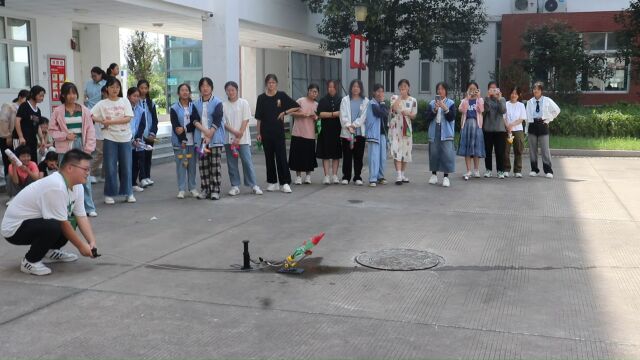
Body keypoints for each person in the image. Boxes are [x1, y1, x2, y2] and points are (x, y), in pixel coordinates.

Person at [1, 149, 98, 276]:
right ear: (70, 168)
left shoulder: (77, 186)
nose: (88, 173)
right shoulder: (56, 185)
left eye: (88, 169)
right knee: (56, 225)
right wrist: (81, 247)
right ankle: (30, 261)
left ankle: (50, 250)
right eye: (85, 169)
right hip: (14, 229)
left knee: (70, 219)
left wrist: (92, 242)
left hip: (34, 223)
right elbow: (62, 223)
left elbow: (81, 216)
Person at [50, 82, 98, 217]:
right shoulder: (58, 111)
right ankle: (67, 209)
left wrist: (88, 149)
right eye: (68, 93)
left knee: (85, 177)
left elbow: (90, 131)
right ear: (63, 95)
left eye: (74, 93)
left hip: (80, 145)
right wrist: (65, 135)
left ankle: (89, 207)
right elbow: (52, 131)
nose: (72, 96)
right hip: (65, 147)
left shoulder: (84, 110)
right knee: (65, 178)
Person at [91, 77, 135, 204]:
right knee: (110, 167)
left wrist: (110, 122)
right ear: (107, 89)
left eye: (117, 87)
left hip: (125, 138)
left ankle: (128, 193)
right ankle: (109, 194)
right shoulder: (102, 104)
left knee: (126, 166)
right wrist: (101, 121)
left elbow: (128, 118)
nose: (115, 89)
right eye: (112, 87)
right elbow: (90, 115)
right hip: (109, 138)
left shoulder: (124, 101)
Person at [255, 74, 300, 193]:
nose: (271, 84)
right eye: (269, 82)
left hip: (278, 133)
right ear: (266, 84)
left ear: (276, 84)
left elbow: (296, 107)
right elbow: (259, 118)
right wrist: (258, 133)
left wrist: (284, 112)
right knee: (269, 158)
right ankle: (272, 182)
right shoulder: (261, 98)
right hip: (265, 132)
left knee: (281, 157)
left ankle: (284, 182)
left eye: (273, 82)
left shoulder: (281, 95)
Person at [222, 81, 263, 196]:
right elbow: (223, 123)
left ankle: (253, 185)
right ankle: (235, 186)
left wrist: (239, 135)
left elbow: (246, 119)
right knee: (231, 163)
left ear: (237, 90)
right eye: (228, 90)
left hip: (243, 139)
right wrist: (235, 133)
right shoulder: (223, 105)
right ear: (226, 91)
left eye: (232, 90)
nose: (230, 92)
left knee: (247, 161)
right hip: (229, 139)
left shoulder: (243, 103)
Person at [193, 77, 224, 200]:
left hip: (215, 139)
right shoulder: (196, 103)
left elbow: (218, 118)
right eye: (202, 86)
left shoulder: (218, 102)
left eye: (207, 86)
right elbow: (194, 119)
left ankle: (215, 190)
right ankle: (205, 189)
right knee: (203, 165)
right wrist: (205, 132)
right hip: (200, 139)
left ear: (211, 88)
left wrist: (210, 133)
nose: (205, 88)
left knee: (215, 165)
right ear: (200, 88)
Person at [169, 83, 200, 199]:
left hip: (193, 142)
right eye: (182, 90)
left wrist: (185, 129)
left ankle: (192, 188)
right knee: (181, 166)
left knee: (192, 166)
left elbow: (196, 122)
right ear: (178, 93)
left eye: (187, 90)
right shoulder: (174, 108)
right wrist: (183, 139)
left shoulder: (194, 106)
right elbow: (176, 126)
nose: (185, 92)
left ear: (190, 93)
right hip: (179, 142)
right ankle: (181, 189)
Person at [526, 82, 560, 178]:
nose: (535, 91)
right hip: (532, 125)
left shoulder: (547, 100)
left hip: (542, 124)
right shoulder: (529, 102)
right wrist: (526, 130)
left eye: (537, 89)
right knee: (532, 149)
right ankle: (534, 169)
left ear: (541, 91)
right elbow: (527, 117)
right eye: (534, 89)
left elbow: (557, 110)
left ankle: (548, 170)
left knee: (545, 149)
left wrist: (549, 119)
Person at [426, 82, 457, 187]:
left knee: (447, 154)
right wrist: (434, 110)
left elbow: (452, 117)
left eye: (443, 89)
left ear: (446, 91)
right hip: (434, 130)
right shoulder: (431, 103)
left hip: (446, 131)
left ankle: (446, 177)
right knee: (434, 152)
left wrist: (445, 108)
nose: (440, 91)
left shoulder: (451, 103)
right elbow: (428, 118)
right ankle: (434, 175)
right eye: (438, 89)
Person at [339, 79, 368, 185]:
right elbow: (342, 115)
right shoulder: (345, 100)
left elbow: (364, 116)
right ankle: (346, 176)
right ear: (351, 88)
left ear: (361, 89)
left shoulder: (365, 101)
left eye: (358, 86)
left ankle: (357, 177)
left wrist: (354, 125)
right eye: (354, 86)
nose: (356, 88)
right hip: (347, 132)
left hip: (359, 132)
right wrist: (348, 126)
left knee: (358, 156)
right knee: (347, 155)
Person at [290, 83, 319, 185]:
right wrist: (301, 114)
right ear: (308, 91)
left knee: (309, 157)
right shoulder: (300, 101)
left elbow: (318, 119)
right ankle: (298, 177)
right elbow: (291, 112)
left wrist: (315, 117)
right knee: (297, 156)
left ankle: (308, 176)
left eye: (315, 92)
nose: (313, 93)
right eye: (312, 91)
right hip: (298, 133)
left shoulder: (317, 105)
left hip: (310, 134)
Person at [389, 79, 417, 185]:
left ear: (408, 87)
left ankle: (403, 174)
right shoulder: (394, 97)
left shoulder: (413, 100)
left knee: (406, 151)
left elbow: (414, 115)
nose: (403, 88)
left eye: (405, 86)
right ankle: (399, 175)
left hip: (407, 129)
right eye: (401, 86)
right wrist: (400, 97)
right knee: (396, 150)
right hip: (396, 128)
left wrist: (408, 114)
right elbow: (394, 108)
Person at [457, 81, 485, 180]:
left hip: (477, 126)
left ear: (477, 90)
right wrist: (467, 99)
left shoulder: (480, 100)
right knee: (467, 149)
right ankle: (468, 170)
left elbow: (481, 110)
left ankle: (476, 170)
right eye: (470, 89)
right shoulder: (464, 100)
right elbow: (461, 110)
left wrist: (478, 98)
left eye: (474, 89)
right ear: (468, 90)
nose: (472, 91)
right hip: (467, 125)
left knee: (476, 148)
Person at [315, 80, 342, 185]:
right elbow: (320, 114)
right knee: (325, 154)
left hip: (337, 130)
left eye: (333, 87)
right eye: (329, 87)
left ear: (336, 88)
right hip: (325, 130)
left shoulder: (340, 99)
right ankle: (326, 175)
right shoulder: (323, 100)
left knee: (336, 154)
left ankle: (335, 175)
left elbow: (342, 113)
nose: (331, 88)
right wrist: (333, 114)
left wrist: (330, 114)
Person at [85, 66, 107, 184]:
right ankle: (91, 172)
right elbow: (84, 96)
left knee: (105, 151)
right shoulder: (89, 84)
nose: (93, 78)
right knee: (99, 150)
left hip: (103, 118)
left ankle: (104, 174)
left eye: (95, 75)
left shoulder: (105, 83)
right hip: (93, 116)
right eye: (92, 76)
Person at [364, 83, 389, 187]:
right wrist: (383, 104)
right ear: (373, 92)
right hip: (374, 134)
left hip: (382, 134)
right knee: (374, 157)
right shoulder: (372, 103)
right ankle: (372, 178)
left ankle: (380, 177)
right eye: (378, 91)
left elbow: (386, 115)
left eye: (382, 91)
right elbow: (380, 113)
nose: (380, 93)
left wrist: (383, 106)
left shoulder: (381, 104)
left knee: (382, 157)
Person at [0, 89, 29, 177]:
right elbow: (3, 121)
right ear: (20, 97)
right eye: (26, 99)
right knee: (8, 161)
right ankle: (9, 183)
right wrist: (8, 135)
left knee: (18, 161)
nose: (27, 102)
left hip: (18, 139)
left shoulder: (24, 109)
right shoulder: (9, 106)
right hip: (8, 138)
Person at [482, 81, 508, 179]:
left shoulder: (502, 99)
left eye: (495, 88)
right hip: (488, 129)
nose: (493, 90)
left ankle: (500, 171)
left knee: (500, 151)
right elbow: (486, 110)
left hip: (500, 130)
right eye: (491, 89)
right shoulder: (486, 99)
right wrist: (488, 98)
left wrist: (499, 99)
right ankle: (488, 170)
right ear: (488, 90)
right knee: (487, 151)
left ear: (498, 89)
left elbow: (502, 111)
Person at [14, 85, 46, 161]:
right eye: (40, 96)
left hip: (32, 140)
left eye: (43, 96)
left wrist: (42, 139)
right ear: (33, 94)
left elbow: (37, 126)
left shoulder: (38, 110)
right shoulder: (24, 106)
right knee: (20, 161)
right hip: (21, 140)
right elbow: (17, 121)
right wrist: (21, 137)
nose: (42, 98)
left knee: (32, 161)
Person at [137, 79, 158, 188]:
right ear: (138, 88)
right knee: (141, 157)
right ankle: (142, 178)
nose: (144, 90)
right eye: (141, 88)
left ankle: (147, 177)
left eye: (146, 88)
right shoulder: (136, 102)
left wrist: (153, 132)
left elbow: (155, 119)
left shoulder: (151, 103)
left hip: (150, 134)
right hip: (140, 134)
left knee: (148, 156)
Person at [504, 86, 527, 178]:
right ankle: (506, 169)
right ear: (510, 94)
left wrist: (512, 124)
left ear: (518, 95)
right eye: (512, 93)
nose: (514, 95)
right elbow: (504, 117)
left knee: (518, 150)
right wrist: (507, 126)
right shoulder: (506, 104)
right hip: (507, 130)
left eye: (516, 94)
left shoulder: (521, 105)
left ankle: (517, 170)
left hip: (518, 130)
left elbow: (521, 119)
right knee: (506, 150)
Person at [127, 87, 146, 193]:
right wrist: (131, 139)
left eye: (137, 96)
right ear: (128, 96)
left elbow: (142, 125)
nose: (136, 98)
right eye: (134, 96)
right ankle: (126, 185)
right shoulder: (125, 109)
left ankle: (133, 183)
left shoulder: (141, 110)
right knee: (126, 164)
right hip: (126, 140)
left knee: (136, 163)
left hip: (138, 142)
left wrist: (137, 138)